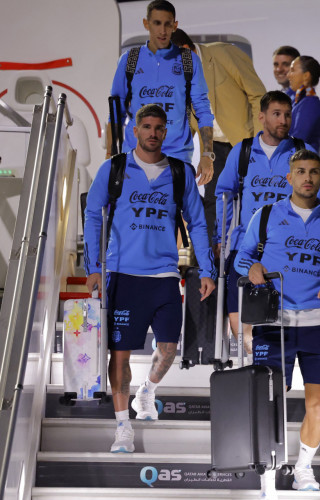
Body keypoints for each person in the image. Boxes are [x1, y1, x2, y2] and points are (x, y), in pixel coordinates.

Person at [84, 104, 216, 453]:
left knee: (169, 349)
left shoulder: (179, 172)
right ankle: (122, 427)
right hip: (123, 275)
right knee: (121, 354)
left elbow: (198, 223)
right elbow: (93, 216)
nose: (153, 133)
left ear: (166, 132)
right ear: (135, 130)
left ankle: (148, 392)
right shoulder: (113, 168)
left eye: (159, 127)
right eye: (146, 126)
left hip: (164, 275)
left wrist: (207, 268)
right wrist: (93, 268)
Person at [234, 149, 320, 499]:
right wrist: (251, 268)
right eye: (301, 171)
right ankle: (267, 475)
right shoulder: (267, 215)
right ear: (289, 178)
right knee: (269, 402)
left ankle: (303, 466)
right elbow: (242, 257)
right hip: (273, 323)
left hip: (317, 322)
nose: (307, 177)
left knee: (319, 404)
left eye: (314, 172)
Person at [213, 90, 320, 354]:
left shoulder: (303, 151)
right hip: (246, 249)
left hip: (287, 250)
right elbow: (224, 196)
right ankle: (256, 376)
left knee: (282, 324)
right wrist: (222, 237)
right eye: (277, 114)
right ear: (262, 116)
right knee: (240, 325)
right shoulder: (243, 151)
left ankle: (274, 377)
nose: (283, 120)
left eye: (287, 115)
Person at [171, 28, 267, 244]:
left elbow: (258, 95)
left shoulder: (224, 54)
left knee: (254, 201)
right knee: (215, 202)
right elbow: (185, 123)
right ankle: (208, 265)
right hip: (215, 149)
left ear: (186, 50)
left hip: (247, 142)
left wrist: (258, 141)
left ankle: (253, 255)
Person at [108, 0, 215, 187]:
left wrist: (207, 154)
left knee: (176, 214)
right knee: (136, 214)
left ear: (175, 25)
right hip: (135, 156)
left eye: (168, 24)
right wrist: (111, 155)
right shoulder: (129, 60)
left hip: (177, 156)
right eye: (157, 23)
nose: (162, 30)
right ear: (146, 23)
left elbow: (203, 110)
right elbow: (115, 111)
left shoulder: (189, 61)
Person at [287, 55, 320, 152]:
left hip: (304, 164)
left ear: (306, 76)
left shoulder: (310, 104)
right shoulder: (298, 101)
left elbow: (297, 140)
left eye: (292, 70)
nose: (288, 75)